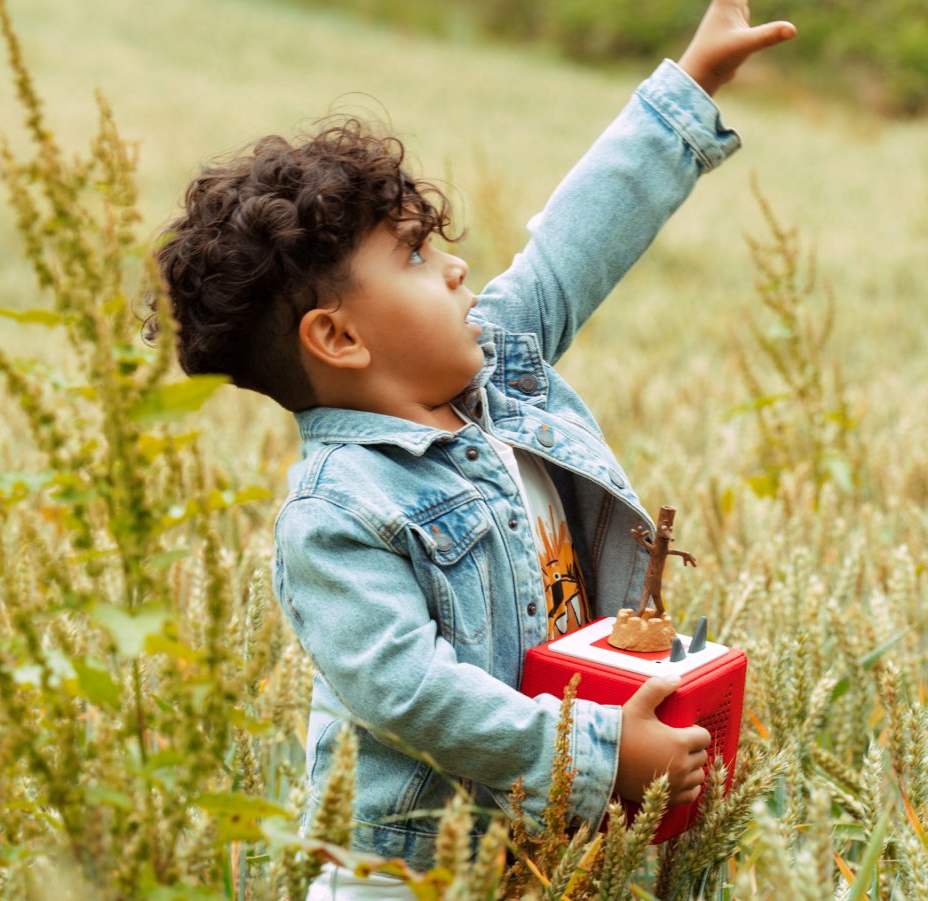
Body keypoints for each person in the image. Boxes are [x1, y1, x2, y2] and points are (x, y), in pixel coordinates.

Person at [153, 2, 795, 896]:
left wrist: (690, 86)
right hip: (407, 875)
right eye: (414, 256)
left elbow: (574, 245)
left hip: (549, 853)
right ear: (337, 338)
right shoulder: (337, 511)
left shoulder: (497, 367)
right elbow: (410, 692)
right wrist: (598, 755)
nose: (455, 268)